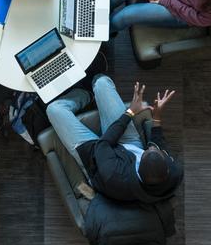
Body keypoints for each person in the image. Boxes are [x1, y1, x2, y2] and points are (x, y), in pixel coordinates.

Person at [46, 76, 182, 203]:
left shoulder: (115, 177)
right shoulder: (174, 171)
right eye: (155, 150)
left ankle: (83, 94)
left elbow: (103, 144)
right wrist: (157, 117)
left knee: (54, 109)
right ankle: (89, 94)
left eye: (148, 151)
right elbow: (157, 145)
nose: (152, 147)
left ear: (138, 167)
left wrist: (130, 112)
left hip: (95, 156)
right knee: (102, 82)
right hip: (129, 145)